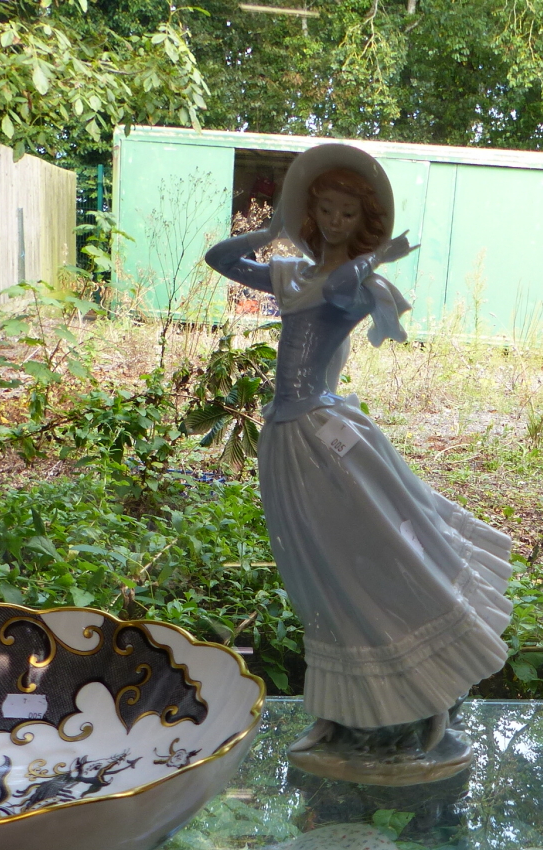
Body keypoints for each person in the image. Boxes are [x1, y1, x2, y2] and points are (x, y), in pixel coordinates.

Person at [204, 143, 512, 782]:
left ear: (360, 220)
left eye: (346, 213)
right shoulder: (291, 274)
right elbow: (220, 259)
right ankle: (339, 710)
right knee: (319, 572)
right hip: (288, 438)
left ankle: (430, 691)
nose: (334, 221)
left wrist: (375, 253)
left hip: (326, 434)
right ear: (312, 213)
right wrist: (271, 229)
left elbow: (343, 286)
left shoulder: (360, 284)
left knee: (371, 552)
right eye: (324, 210)